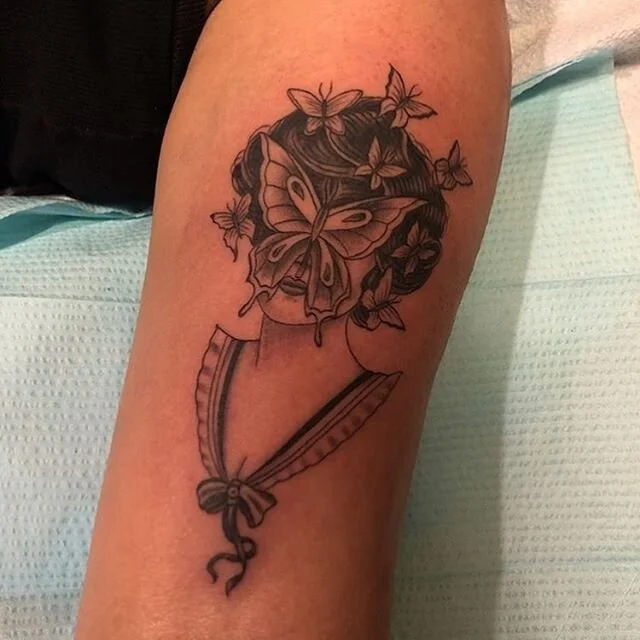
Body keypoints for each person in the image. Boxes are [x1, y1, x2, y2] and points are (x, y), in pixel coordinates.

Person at [70, 1, 511, 638]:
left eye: (360, 223)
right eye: (291, 199)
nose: (305, 256)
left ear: (391, 263)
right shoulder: (219, 359)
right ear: (255, 212)